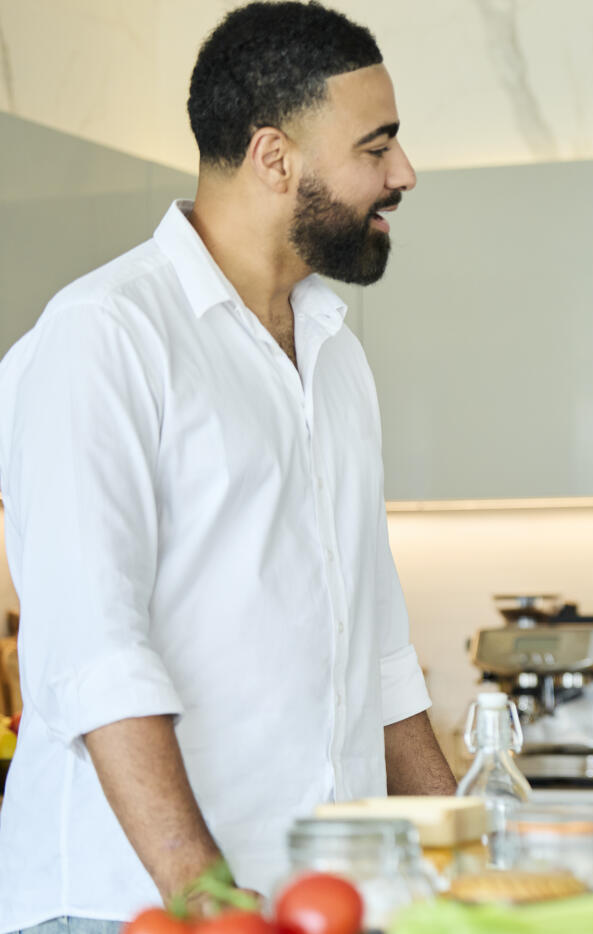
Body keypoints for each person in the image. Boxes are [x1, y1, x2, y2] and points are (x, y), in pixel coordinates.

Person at [0, 3, 456, 930]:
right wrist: (205, 897)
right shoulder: (104, 337)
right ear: (274, 157)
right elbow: (96, 655)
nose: (403, 174)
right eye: (378, 147)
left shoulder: (335, 353)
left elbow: (379, 654)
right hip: (133, 906)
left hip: (314, 903)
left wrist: (465, 858)